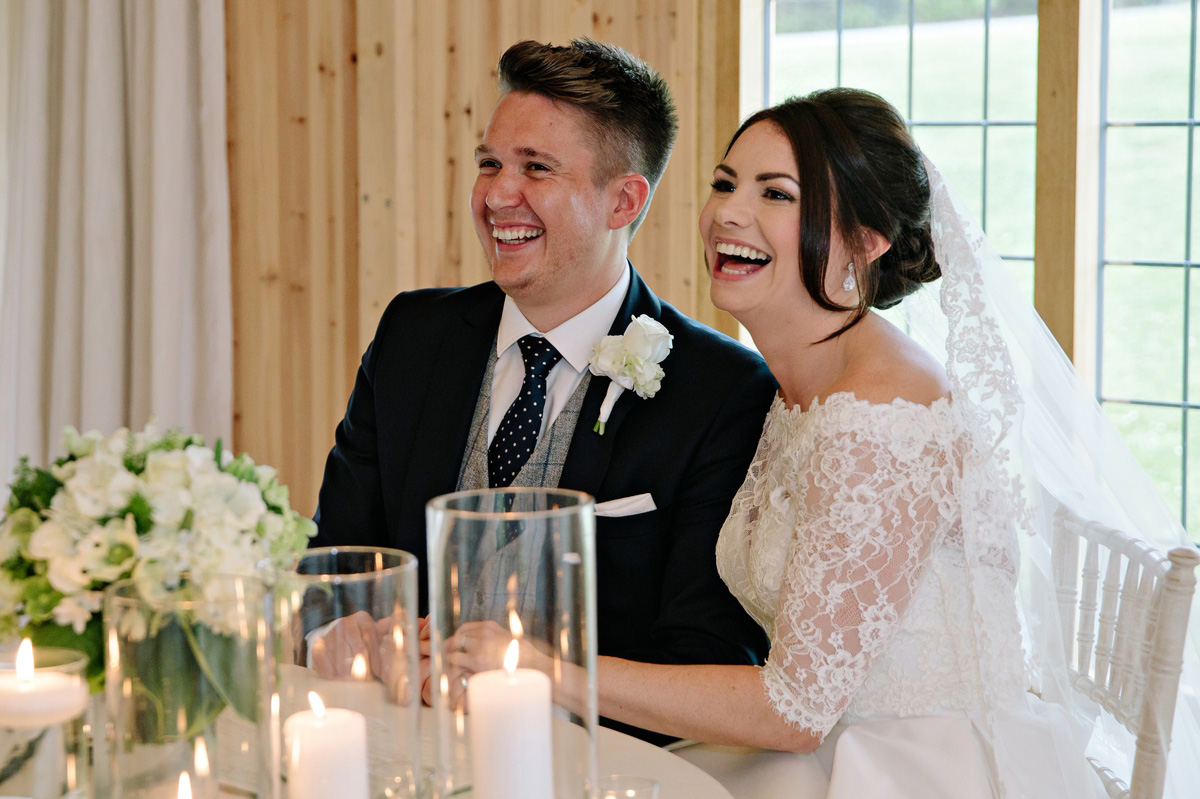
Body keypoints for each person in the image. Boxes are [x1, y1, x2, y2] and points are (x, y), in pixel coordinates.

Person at [450, 87, 1200, 797]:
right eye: (725, 183)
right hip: (815, 747)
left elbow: (793, 707)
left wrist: (545, 667)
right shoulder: (799, 386)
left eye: (776, 195)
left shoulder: (880, 417)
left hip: (909, 767)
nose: (729, 216)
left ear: (864, 241)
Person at [311, 38, 776, 737]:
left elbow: (709, 656)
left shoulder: (721, 390)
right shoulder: (411, 336)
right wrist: (351, 630)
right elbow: (333, 569)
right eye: (491, 164)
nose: (498, 194)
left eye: (536, 168)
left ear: (624, 200)